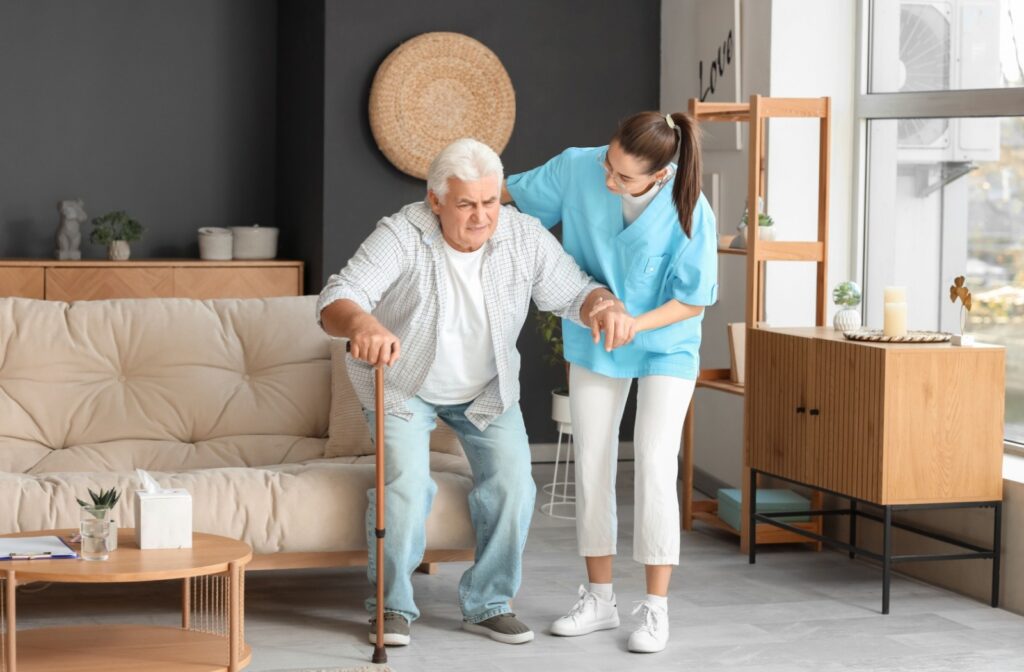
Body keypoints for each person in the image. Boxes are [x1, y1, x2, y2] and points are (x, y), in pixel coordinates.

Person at [317, 138, 627, 647]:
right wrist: (362, 324)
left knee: (515, 486)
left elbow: (574, 291)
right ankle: (392, 607)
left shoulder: (522, 236)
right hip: (403, 386)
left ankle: (488, 603)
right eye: (466, 204)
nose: (482, 217)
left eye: (489, 202)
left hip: (485, 389)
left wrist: (602, 304)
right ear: (435, 200)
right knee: (406, 487)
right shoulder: (402, 234)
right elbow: (339, 296)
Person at [502, 111, 718, 653]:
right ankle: (599, 600)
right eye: (608, 163)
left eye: (623, 177)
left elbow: (693, 299)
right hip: (595, 336)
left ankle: (656, 608)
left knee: (654, 460)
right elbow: (506, 194)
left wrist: (634, 323)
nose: (608, 179)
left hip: (666, 342)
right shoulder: (578, 167)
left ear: (660, 175)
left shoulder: (690, 207)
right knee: (593, 459)